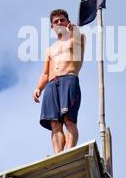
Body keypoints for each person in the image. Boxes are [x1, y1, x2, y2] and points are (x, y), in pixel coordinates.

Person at [32, 9, 86, 153]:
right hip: (51, 84)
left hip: (69, 79)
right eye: (56, 21)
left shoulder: (77, 37)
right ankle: (58, 154)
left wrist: (74, 29)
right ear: (52, 27)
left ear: (67, 22)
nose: (59, 23)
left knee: (69, 119)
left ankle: (70, 151)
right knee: (54, 122)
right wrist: (38, 88)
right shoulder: (50, 49)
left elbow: (77, 40)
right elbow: (45, 73)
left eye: (62, 20)